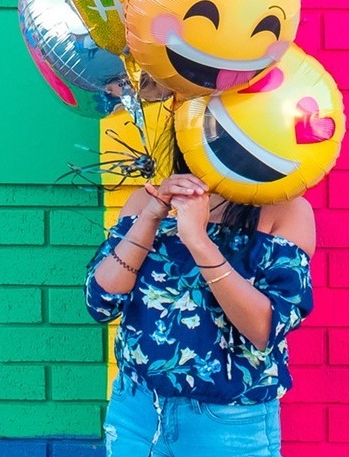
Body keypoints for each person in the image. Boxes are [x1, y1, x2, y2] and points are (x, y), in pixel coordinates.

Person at [83, 145, 316, 457]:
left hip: (228, 422)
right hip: (137, 411)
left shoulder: (285, 210)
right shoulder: (146, 202)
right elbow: (100, 303)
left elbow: (264, 330)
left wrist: (197, 239)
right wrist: (152, 216)